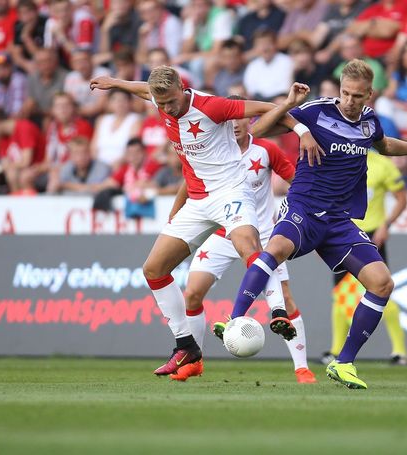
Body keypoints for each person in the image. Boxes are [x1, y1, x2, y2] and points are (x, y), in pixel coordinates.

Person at [220, 60, 407, 390]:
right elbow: (259, 130)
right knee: (275, 250)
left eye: (358, 96)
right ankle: (235, 318)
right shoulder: (317, 111)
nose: (350, 101)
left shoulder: (369, 121)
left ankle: (344, 362)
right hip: (304, 208)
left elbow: (383, 145)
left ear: (371, 93)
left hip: (339, 220)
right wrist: (295, 115)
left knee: (382, 283)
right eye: (345, 94)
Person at [89, 65, 321, 376]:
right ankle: (186, 346)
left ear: (183, 88)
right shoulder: (160, 100)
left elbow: (266, 108)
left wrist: (302, 131)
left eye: (172, 101)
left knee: (249, 249)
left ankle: (277, 310)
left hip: (231, 192)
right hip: (198, 201)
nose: (168, 109)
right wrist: (113, 82)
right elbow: (141, 89)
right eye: (163, 104)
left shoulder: (211, 106)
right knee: (154, 270)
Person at [173, 102, 316, 383]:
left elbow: (296, 181)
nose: (236, 124)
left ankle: (302, 369)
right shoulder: (210, 148)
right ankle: (194, 360)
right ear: (223, 122)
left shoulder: (265, 150)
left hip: (261, 237)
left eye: (242, 119)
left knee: (285, 301)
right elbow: (188, 182)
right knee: (191, 294)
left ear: (251, 122)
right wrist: (175, 212)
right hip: (222, 234)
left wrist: (296, 213)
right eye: (231, 120)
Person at [324, 149, 407, 366]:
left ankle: (400, 352)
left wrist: (386, 224)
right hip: (342, 234)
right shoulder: (338, 159)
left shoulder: (382, 164)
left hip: (372, 236)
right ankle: (335, 351)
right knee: (341, 293)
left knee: (381, 289)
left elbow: (402, 199)